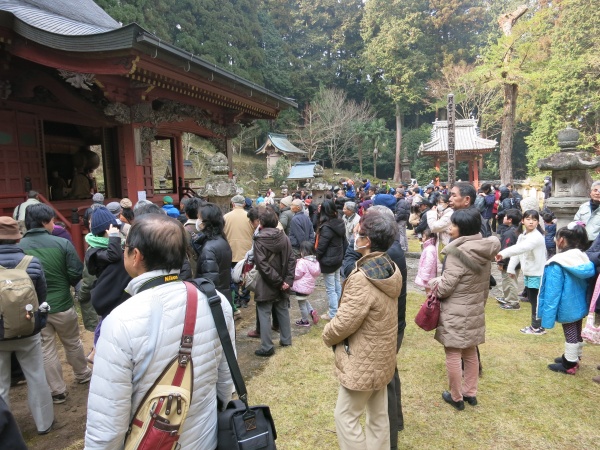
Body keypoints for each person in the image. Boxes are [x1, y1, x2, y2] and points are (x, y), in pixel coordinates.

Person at [84, 214, 235, 449]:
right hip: (205, 436)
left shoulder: (120, 321)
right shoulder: (216, 302)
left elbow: (107, 422)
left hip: (150, 440)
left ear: (136, 255)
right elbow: (226, 382)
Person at [322, 210, 402, 449]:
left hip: (364, 358)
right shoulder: (388, 266)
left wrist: (327, 334)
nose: (355, 234)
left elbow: (344, 322)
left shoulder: (363, 276)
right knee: (378, 415)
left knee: (345, 415)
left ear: (367, 240)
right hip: (382, 356)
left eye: (359, 232)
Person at [428, 209, 500, 410]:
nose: (450, 228)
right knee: (469, 351)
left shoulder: (456, 253)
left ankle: (456, 396)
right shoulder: (485, 248)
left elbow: (445, 288)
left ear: (463, 228)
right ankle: (471, 393)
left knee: (452, 352)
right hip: (475, 307)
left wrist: (436, 284)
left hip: (455, 309)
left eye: (454, 225)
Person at [19, 203, 90, 404]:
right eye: (51, 220)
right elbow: (75, 273)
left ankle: (57, 390)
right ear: (44, 222)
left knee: (46, 348)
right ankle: (82, 373)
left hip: (34, 308)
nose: (53, 224)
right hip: (62, 304)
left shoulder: (19, 248)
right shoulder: (62, 244)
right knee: (72, 341)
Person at [0, 217, 54, 435]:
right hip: (28, 329)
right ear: (16, 238)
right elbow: (42, 296)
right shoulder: (32, 262)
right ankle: (44, 423)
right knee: (36, 376)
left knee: (1, 384)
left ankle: (4, 429)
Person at [538, 223, 595, 374]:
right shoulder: (583, 258)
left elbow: (552, 291)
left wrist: (547, 316)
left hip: (566, 305)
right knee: (576, 330)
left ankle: (569, 364)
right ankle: (576, 356)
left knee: (569, 332)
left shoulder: (558, 262)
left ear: (561, 240)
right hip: (580, 303)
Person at [253, 207, 295, 357]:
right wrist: (287, 281)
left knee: (264, 313)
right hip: (283, 281)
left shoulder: (259, 240)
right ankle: (286, 339)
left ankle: (267, 346)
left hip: (267, 282)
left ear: (261, 223)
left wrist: (279, 281)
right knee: (282, 309)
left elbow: (262, 265)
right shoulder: (284, 237)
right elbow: (291, 259)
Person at [495, 210, 547, 334]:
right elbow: (518, 253)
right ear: (522, 221)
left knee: (535, 301)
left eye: (534, 220)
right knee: (533, 300)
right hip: (529, 273)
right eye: (528, 219)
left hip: (537, 273)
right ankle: (536, 326)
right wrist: (511, 269)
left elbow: (522, 248)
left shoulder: (536, 237)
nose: (531, 222)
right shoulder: (523, 235)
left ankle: (537, 327)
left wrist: (503, 253)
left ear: (537, 222)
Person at [193, 203, 233, 307]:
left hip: (215, 301)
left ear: (206, 222)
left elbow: (210, 282)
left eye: (199, 218)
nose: (197, 221)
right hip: (224, 294)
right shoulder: (221, 240)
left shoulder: (209, 248)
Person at [316, 200, 345, 321]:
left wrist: (315, 258)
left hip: (328, 261)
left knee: (330, 288)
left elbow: (321, 247)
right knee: (337, 284)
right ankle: (338, 308)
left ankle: (333, 313)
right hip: (337, 258)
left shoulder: (327, 227)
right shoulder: (339, 222)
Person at [223, 194, 254, 309]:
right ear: (244, 203)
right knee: (246, 275)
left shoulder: (226, 217)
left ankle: (235, 298)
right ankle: (245, 299)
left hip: (231, 250)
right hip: (247, 251)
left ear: (232, 204)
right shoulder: (249, 216)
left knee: (233, 277)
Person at [496, 209, 523, 309]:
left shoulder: (510, 233)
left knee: (510, 282)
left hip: (510, 263)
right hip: (515, 262)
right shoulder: (517, 231)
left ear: (510, 219)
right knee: (507, 281)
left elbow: (506, 248)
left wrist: (501, 262)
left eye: (506, 216)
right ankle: (508, 298)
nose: (504, 218)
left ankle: (513, 302)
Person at [291, 241, 321, 327]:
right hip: (308, 287)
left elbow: (297, 274)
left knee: (301, 304)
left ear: (303, 252)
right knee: (304, 300)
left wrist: (291, 275)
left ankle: (304, 321)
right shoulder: (315, 262)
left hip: (301, 287)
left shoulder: (303, 262)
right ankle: (312, 311)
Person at [429, 194, 453, 261]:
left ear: (447, 203)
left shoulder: (449, 215)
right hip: (442, 242)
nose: (438, 205)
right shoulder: (444, 213)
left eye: (440, 203)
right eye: (437, 203)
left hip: (445, 243)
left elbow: (434, 227)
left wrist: (432, 213)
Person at [415, 229, 437, 293]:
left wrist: (425, 276)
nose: (422, 238)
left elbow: (428, 263)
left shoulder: (429, 249)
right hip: (429, 275)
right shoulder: (429, 248)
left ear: (429, 238)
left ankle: (429, 302)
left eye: (424, 236)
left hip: (429, 276)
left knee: (429, 292)